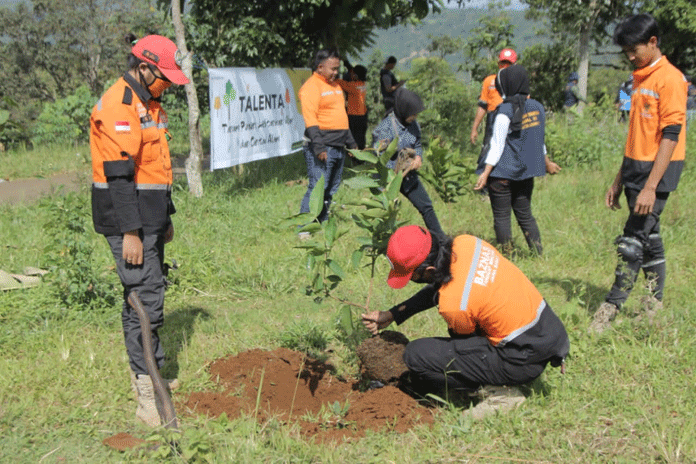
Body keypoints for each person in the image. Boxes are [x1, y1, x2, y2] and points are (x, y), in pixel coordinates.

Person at [361, 225, 570, 419]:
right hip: (547, 330)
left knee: (417, 355)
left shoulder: (454, 304)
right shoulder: (466, 243)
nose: (411, 281)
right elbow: (439, 287)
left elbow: (464, 346)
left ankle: (500, 394)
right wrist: (394, 314)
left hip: (523, 357)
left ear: (429, 270)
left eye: (412, 276)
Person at [90, 34, 189, 426]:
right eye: (164, 75)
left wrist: (165, 217)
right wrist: (131, 231)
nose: (168, 83)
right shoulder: (121, 103)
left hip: (150, 217)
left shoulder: (151, 102)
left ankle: (152, 371)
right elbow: (119, 175)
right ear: (144, 67)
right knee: (145, 297)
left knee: (146, 291)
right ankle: (146, 390)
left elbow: (157, 167)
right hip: (125, 218)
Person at [590, 14, 687, 334]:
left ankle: (611, 307)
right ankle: (654, 304)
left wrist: (650, 186)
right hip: (634, 166)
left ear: (653, 42)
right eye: (626, 52)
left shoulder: (671, 79)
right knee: (650, 238)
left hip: (657, 171)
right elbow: (636, 132)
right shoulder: (639, 77)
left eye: (634, 50)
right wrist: (618, 180)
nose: (630, 56)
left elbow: (671, 136)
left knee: (631, 243)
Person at [474, 64, 561, 255]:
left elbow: (496, 146)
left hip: (502, 174)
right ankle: (537, 253)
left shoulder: (504, 110)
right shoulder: (537, 107)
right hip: (525, 173)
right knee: (525, 214)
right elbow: (539, 140)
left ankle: (508, 255)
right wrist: (547, 163)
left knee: (502, 216)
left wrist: (484, 173)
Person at [371, 87, 445, 239]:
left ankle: (441, 240)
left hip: (408, 175)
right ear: (403, 110)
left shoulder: (413, 124)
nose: (415, 116)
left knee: (426, 206)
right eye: (413, 113)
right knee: (386, 213)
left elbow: (417, 144)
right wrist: (388, 188)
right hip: (388, 178)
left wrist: (418, 157)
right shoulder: (386, 128)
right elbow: (378, 158)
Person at [298, 48, 357, 229]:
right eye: (332, 69)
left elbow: (341, 117)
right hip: (323, 147)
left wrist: (352, 144)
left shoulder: (336, 86)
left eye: (337, 68)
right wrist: (319, 147)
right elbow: (311, 120)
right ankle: (304, 227)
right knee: (317, 187)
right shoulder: (310, 87)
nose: (336, 72)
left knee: (331, 188)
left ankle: (321, 221)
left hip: (339, 146)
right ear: (320, 67)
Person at [470, 48, 517, 149]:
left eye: (509, 64)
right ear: (498, 64)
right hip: (492, 120)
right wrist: (475, 128)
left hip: (511, 121)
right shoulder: (489, 81)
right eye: (502, 63)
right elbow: (482, 106)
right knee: (488, 153)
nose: (505, 66)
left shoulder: (519, 83)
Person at [337, 61, 369, 150]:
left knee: (353, 138)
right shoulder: (363, 84)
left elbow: (338, 82)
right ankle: (362, 155)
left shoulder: (352, 86)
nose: (351, 75)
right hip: (363, 115)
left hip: (353, 116)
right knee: (361, 137)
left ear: (356, 75)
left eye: (353, 74)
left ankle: (354, 156)